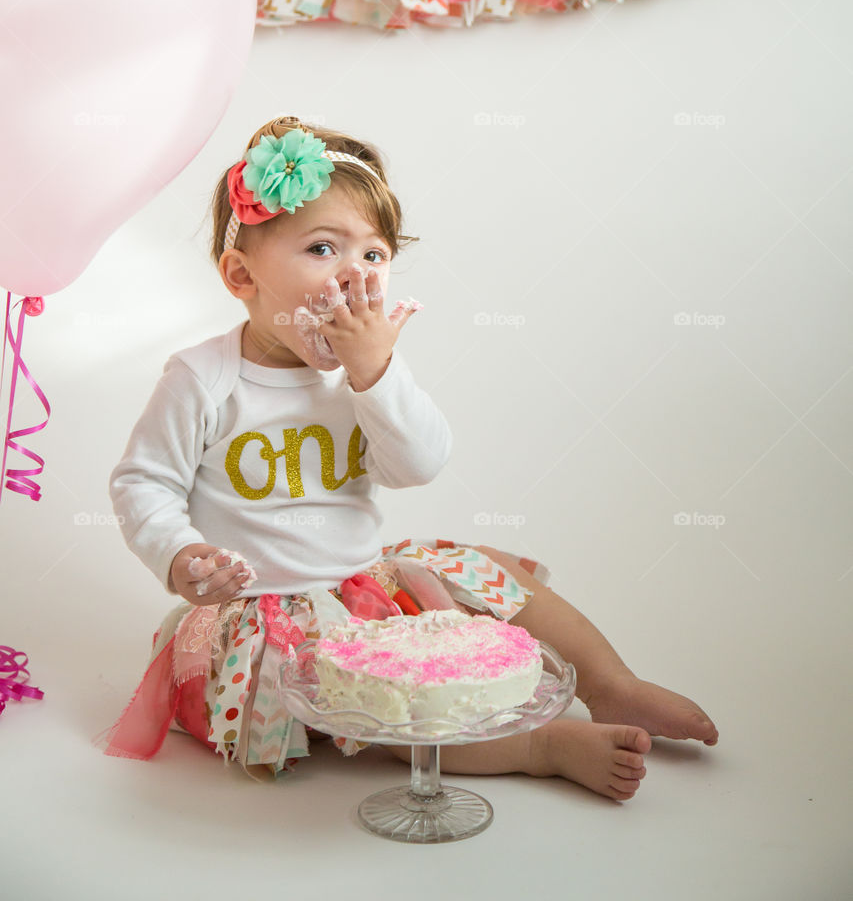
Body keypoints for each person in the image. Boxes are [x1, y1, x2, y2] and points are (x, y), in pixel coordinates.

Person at [94, 115, 717, 801]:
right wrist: (181, 554)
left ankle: (608, 682)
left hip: (363, 580)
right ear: (242, 275)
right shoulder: (203, 378)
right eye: (323, 248)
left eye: (372, 256)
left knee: (486, 572)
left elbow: (417, 464)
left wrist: (375, 375)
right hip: (263, 615)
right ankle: (537, 745)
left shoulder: (367, 370)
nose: (354, 277)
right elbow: (143, 482)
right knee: (388, 706)